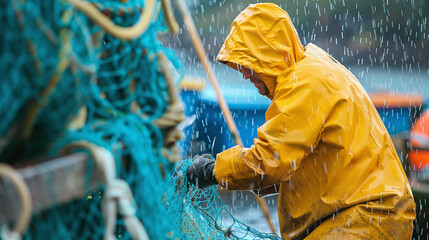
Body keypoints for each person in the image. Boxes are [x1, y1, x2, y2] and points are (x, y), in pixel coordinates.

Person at [187, 3, 416, 239]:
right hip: (359, 213)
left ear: (268, 53)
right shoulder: (312, 69)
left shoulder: (305, 82)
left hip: (367, 215)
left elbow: (269, 162)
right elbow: (286, 169)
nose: (245, 74)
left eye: (247, 64)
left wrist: (212, 171)